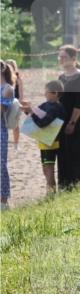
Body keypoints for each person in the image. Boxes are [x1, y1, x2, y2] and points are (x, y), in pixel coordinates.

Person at [21, 80, 65, 195]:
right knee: (45, 168)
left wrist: (32, 113)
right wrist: (28, 110)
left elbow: (43, 123)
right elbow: (37, 113)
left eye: (47, 92)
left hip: (51, 142)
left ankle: (51, 194)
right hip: (44, 141)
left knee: (49, 168)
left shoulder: (56, 107)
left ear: (55, 93)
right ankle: (50, 191)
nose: (44, 94)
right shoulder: (46, 105)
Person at [55, 45, 80, 189]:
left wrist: (72, 122)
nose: (61, 59)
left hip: (75, 120)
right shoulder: (61, 77)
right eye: (60, 56)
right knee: (63, 153)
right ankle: (64, 185)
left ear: (73, 58)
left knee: (76, 152)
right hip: (62, 120)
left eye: (64, 57)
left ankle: (78, 184)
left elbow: (79, 103)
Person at [1, 62, 15, 209]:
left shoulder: (7, 89)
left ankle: (3, 202)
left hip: (1, 131)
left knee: (1, 165)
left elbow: (1, 111)